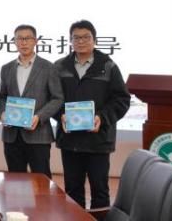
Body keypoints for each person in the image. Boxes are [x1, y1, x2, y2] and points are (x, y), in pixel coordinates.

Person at [55, 20, 130, 209]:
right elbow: (52, 98)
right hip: (70, 140)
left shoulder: (108, 66)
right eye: (76, 38)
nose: (81, 41)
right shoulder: (60, 66)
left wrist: (102, 118)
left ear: (94, 40)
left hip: (98, 140)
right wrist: (61, 114)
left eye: (86, 37)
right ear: (70, 41)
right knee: (72, 190)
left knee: (100, 190)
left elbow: (121, 99)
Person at [0, 24, 63, 179]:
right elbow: (2, 97)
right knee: (14, 181)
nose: (24, 42)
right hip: (12, 135)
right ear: (14, 42)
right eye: (19, 39)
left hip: (38, 134)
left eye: (28, 38)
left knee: (42, 182)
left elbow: (57, 98)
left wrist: (39, 117)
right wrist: (3, 113)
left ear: (36, 41)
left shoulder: (49, 67)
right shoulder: (6, 68)